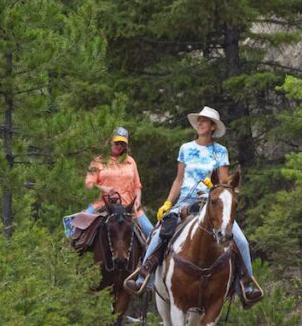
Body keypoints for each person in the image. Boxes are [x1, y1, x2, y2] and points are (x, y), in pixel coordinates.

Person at [124, 107, 263, 306]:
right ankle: (144, 276)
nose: (200, 123)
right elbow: (179, 180)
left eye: (204, 121)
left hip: (213, 203)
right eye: (199, 120)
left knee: (240, 241)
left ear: (213, 127)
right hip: (187, 201)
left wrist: (212, 186)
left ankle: (246, 284)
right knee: (158, 233)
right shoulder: (186, 148)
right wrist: (168, 203)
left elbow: (224, 181)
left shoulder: (220, 151)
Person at [82, 126, 154, 237]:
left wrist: (138, 199)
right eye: (116, 143)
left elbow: (137, 186)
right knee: (78, 226)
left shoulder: (130, 161)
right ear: (110, 142)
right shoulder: (98, 161)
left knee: (150, 231)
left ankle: (151, 254)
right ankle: (70, 252)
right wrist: (104, 188)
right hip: (103, 204)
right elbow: (88, 184)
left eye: (122, 144)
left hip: (128, 206)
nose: (119, 146)